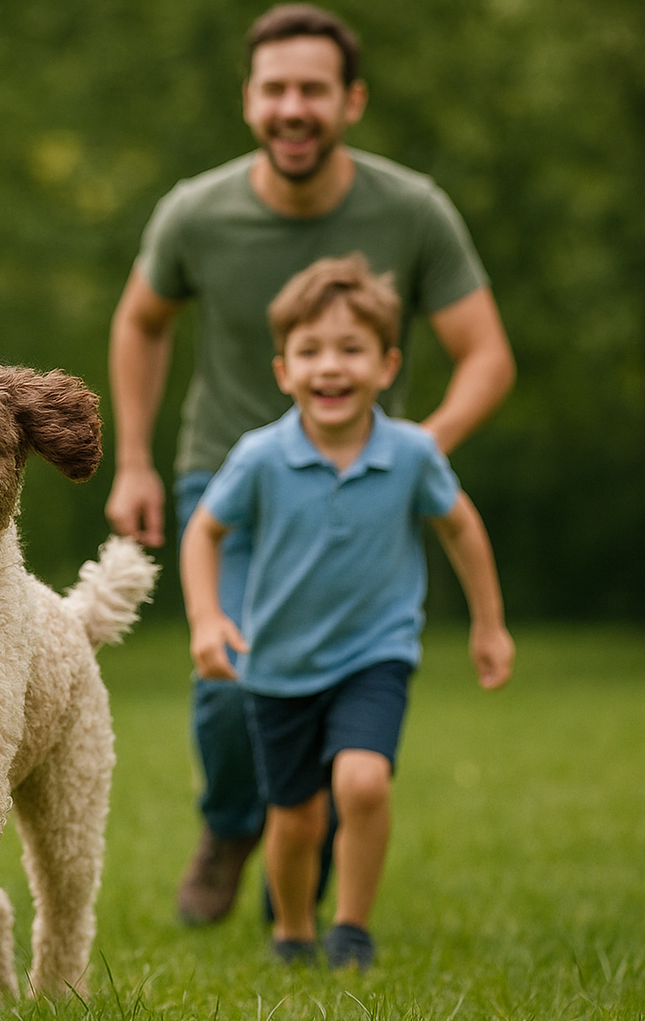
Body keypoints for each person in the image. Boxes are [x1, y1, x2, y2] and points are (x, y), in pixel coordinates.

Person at [105, 3, 516, 926]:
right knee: (228, 680)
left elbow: (487, 356)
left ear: (351, 101)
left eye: (314, 91)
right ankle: (229, 826)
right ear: (249, 99)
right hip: (229, 478)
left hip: (354, 488)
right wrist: (133, 460)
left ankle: (301, 882)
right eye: (276, 89)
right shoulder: (196, 211)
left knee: (341, 685)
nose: (294, 108)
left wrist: (412, 453)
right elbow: (140, 321)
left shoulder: (412, 210)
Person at [179, 253, 513, 969]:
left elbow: (460, 527)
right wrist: (207, 619)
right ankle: (294, 932)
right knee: (297, 817)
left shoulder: (413, 453)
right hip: (278, 664)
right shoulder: (260, 456)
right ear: (283, 371)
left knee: (362, 782)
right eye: (310, 352)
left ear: (387, 366)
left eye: (351, 350)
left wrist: (488, 624)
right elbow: (204, 531)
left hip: (374, 653)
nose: (330, 367)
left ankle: (352, 929)